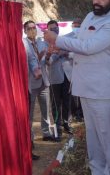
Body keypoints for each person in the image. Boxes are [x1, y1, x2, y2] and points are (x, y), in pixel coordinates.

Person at [44, 0, 110, 174]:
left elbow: (89, 47)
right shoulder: (90, 16)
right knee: (93, 138)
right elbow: (78, 38)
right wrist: (61, 48)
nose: (96, 1)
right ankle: (97, 171)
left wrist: (58, 40)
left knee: (107, 140)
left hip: (103, 91)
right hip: (85, 87)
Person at [23, 20, 55, 160]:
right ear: (25, 31)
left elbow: (49, 61)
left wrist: (47, 56)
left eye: (33, 28)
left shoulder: (42, 42)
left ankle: (47, 133)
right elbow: (26, 61)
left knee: (45, 109)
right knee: (29, 115)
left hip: (44, 81)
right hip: (31, 83)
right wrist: (38, 58)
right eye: (29, 29)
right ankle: (29, 141)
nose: (32, 31)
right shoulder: (23, 44)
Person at [45, 20, 72, 141]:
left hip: (67, 76)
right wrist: (54, 55)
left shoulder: (63, 40)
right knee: (56, 105)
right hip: (55, 78)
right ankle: (57, 131)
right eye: (51, 29)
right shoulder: (44, 43)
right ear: (47, 30)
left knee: (67, 102)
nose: (54, 31)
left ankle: (67, 124)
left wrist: (66, 53)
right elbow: (47, 62)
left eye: (56, 29)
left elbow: (72, 53)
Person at [62, 18, 83, 121]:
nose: (76, 26)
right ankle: (74, 113)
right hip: (70, 69)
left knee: (82, 93)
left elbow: (84, 52)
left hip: (83, 70)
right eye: (74, 24)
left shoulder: (86, 37)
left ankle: (81, 113)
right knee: (72, 93)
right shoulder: (66, 37)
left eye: (78, 25)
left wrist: (69, 54)